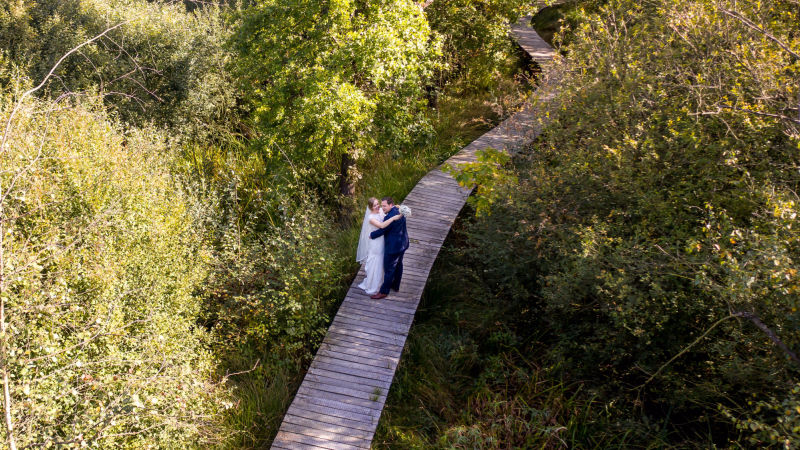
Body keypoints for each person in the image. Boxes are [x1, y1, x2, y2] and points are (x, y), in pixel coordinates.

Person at [356, 197, 403, 295]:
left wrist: (397, 207)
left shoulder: (381, 210)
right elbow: (382, 226)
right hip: (376, 242)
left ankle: (383, 281)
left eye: (378, 204)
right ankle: (374, 284)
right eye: (375, 205)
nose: (378, 207)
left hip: (383, 241)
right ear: (370, 207)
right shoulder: (371, 218)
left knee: (382, 261)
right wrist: (393, 218)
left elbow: (390, 207)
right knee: (376, 261)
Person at [368, 196, 409, 299]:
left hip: (393, 247)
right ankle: (396, 286)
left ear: (391, 205)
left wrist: (371, 235)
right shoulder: (399, 210)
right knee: (399, 264)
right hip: (403, 244)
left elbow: (382, 229)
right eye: (381, 206)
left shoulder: (389, 217)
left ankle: (384, 292)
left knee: (389, 269)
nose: (382, 208)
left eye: (384, 206)